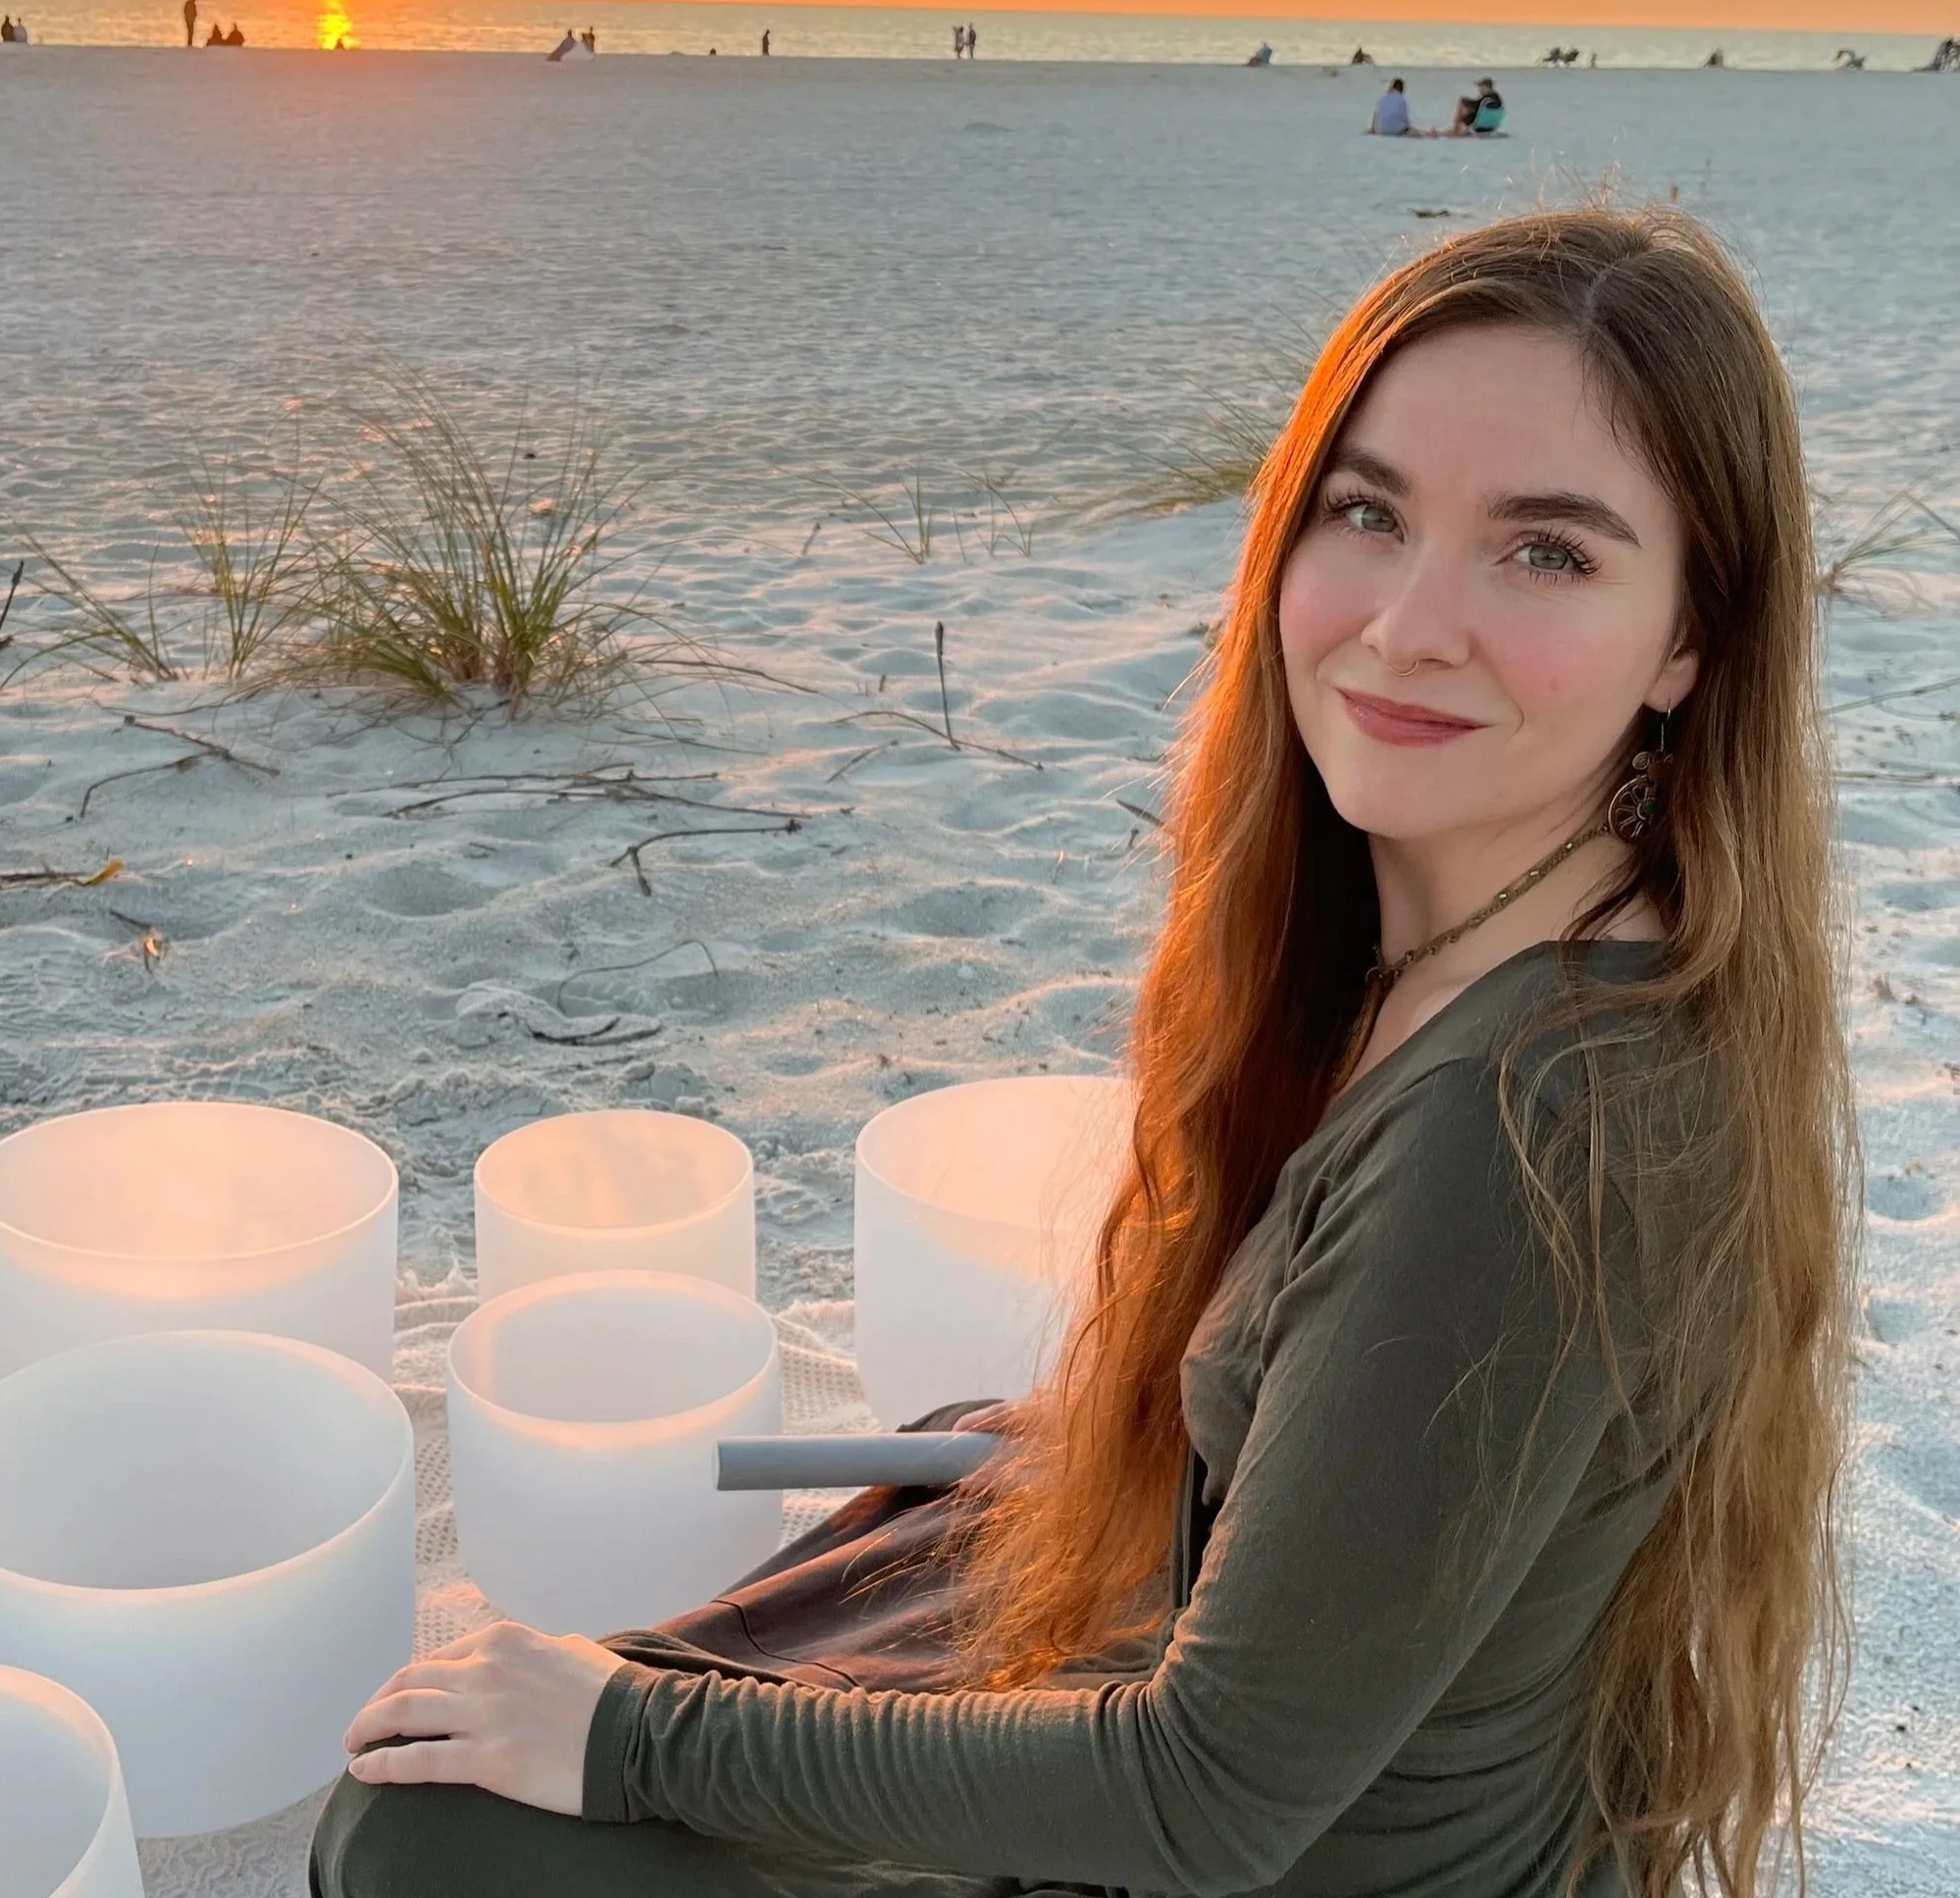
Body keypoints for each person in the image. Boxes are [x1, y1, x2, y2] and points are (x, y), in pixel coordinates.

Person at [311, 207, 1854, 1898]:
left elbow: (1212, 1799)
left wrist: (628, 1738)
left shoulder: (1522, 1125)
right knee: (1010, 1447)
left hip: (1256, 1849)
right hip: (1305, 1754)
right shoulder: (1526, 922)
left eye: (1545, 551)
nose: (1411, 626)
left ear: (1693, 639)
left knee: (416, 1833)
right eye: (1370, 512)